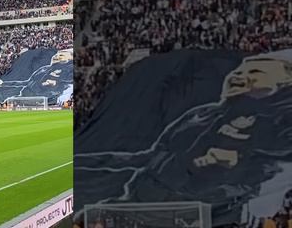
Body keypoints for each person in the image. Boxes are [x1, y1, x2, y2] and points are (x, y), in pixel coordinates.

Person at [75, 51, 292, 225]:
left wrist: (239, 158)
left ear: (284, 83)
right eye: (239, 70)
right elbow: (150, 157)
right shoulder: (202, 116)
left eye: (253, 71)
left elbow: (274, 164)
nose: (236, 75)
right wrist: (91, 161)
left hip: (216, 213)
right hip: (142, 205)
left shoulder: (280, 125)